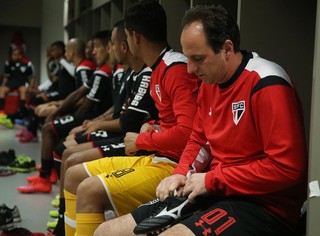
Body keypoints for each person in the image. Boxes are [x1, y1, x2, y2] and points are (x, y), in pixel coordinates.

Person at [94, 4, 308, 236]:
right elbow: (199, 137)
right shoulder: (209, 82)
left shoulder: (267, 83)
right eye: (187, 58)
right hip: (213, 190)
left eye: (198, 58)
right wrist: (181, 172)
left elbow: (286, 168)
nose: (190, 69)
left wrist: (213, 179)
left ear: (227, 49)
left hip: (263, 206)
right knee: (106, 231)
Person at [63, 1, 200, 235]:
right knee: (74, 174)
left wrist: (142, 141)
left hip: (175, 166)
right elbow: (176, 122)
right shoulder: (157, 67)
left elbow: (188, 133)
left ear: (135, 37)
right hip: (158, 155)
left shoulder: (174, 69)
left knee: (88, 189)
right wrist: (153, 125)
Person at [16, 34, 114, 194]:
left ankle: (46, 177)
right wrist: (59, 108)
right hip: (90, 114)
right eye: (91, 47)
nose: (92, 52)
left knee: (49, 128)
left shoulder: (92, 69)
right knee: (47, 118)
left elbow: (85, 100)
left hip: (91, 115)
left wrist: (67, 114)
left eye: (96, 47)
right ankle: (48, 171)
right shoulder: (99, 69)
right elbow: (78, 93)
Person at [0, 47, 36, 116]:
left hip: (22, 81)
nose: (13, 57)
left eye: (15, 55)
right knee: (2, 90)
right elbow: (5, 76)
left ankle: (20, 112)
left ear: (20, 56)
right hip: (11, 82)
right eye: (12, 55)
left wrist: (31, 87)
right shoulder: (8, 63)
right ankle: (1, 112)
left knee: (23, 90)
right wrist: (3, 84)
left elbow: (33, 77)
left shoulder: (27, 63)